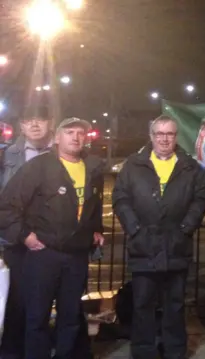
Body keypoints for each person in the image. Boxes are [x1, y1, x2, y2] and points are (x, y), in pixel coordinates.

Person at [0, 117, 104, 359]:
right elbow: (7, 206)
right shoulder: (39, 167)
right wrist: (24, 236)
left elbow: (93, 206)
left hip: (77, 256)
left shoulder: (93, 167)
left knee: (70, 317)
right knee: (37, 316)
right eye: (69, 132)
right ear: (57, 138)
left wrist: (96, 229)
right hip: (43, 254)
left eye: (81, 132)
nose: (76, 137)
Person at [112, 115, 205, 359]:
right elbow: (121, 198)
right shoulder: (133, 165)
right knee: (142, 304)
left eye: (170, 134)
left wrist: (186, 227)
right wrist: (134, 228)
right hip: (143, 245)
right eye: (160, 134)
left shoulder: (189, 166)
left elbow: (201, 198)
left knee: (174, 305)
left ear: (176, 137)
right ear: (151, 136)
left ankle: (175, 351)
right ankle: (144, 351)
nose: (165, 139)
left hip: (176, 244)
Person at [0, 107, 55, 359]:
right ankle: (13, 352)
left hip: (53, 239)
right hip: (16, 238)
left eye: (40, 119)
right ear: (21, 126)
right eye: (28, 119)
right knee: (16, 300)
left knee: (49, 300)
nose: (34, 124)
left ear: (50, 123)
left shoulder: (62, 154)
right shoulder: (5, 156)